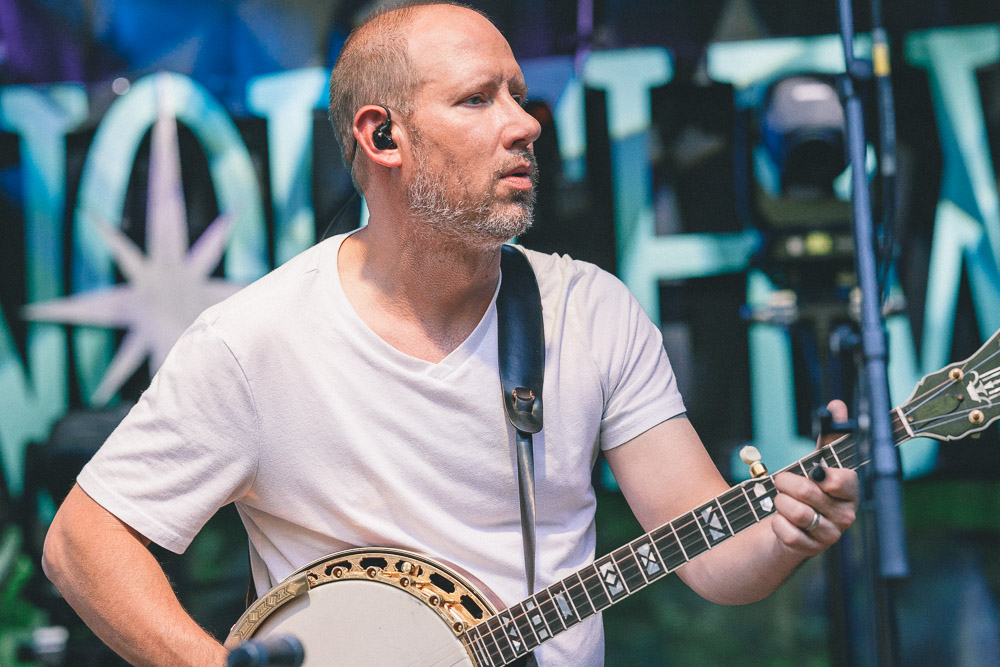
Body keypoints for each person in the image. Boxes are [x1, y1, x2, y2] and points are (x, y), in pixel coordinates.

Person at [41, 2, 859, 665]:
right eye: (478, 99)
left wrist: (789, 531)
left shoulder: (589, 311)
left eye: (517, 91)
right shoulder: (258, 340)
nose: (526, 122)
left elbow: (716, 559)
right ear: (382, 135)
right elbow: (82, 542)